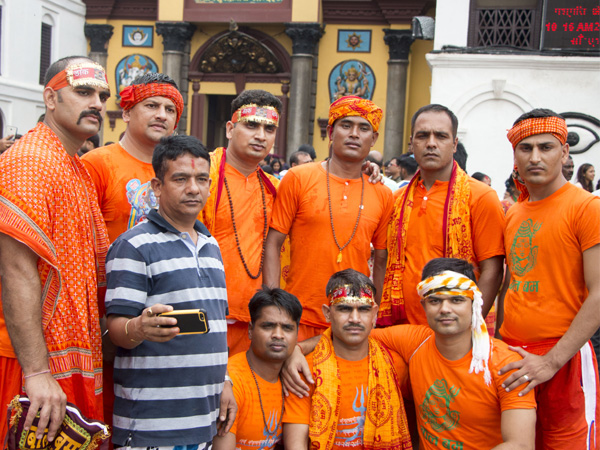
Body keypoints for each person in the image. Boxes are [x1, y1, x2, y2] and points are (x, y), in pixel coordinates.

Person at [284, 259, 537, 449]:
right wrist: (296, 349)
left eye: (456, 300)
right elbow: (350, 332)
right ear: (424, 305)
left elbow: (520, 445)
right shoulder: (414, 341)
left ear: (475, 303)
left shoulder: (505, 362)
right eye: (435, 300)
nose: (445, 309)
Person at [0, 56, 111, 441]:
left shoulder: (74, 165)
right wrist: (36, 371)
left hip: (67, 355)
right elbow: (15, 270)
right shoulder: (32, 161)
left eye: (102, 95)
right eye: (83, 92)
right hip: (30, 363)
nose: (96, 102)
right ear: (50, 98)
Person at [105, 134, 235, 448]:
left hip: (203, 422)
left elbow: (216, 326)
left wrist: (226, 381)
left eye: (202, 179)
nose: (194, 188)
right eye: (181, 178)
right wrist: (139, 327)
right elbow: (115, 330)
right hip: (151, 426)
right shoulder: (133, 246)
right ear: (157, 187)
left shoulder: (211, 245)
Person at [498, 108, 600, 449]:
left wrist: (551, 361)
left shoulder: (586, 207)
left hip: (563, 360)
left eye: (546, 147)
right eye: (525, 148)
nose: (535, 157)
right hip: (513, 359)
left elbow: (599, 292)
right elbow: (509, 286)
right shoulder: (514, 213)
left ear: (565, 152)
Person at [264, 95, 394, 341]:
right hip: (296, 315)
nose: (354, 134)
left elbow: (380, 260)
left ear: (374, 139)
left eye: (363, 128)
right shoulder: (298, 178)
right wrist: (274, 305)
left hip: (351, 321)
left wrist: (372, 315)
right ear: (331, 132)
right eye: (346, 126)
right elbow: (273, 242)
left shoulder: (383, 194)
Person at [379, 104, 505, 327]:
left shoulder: (481, 196)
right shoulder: (396, 199)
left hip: (456, 332)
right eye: (422, 136)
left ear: (454, 144)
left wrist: (471, 325)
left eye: (441, 136)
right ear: (411, 143)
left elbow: (492, 271)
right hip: (402, 330)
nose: (431, 143)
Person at [283, 269, 412, 450]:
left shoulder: (394, 364)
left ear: (374, 313)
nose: (354, 319)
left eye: (364, 309)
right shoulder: (305, 370)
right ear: (327, 313)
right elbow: (295, 445)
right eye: (344, 308)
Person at [200, 90, 282, 356]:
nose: (260, 135)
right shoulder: (202, 176)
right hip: (205, 315)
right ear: (229, 128)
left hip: (255, 321)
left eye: (269, 128)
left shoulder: (277, 189)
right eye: (251, 125)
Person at [82, 72, 183, 243]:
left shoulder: (180, 171)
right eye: (151, 105)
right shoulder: (95, 164)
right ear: (127, 113)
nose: (162, 115)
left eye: (170, 110)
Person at [212, 287, 303, 450]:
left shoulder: (294, 378)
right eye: (268, 326)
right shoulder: (231, 382)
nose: (278, 335)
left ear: (297, 333)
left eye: (287, 328)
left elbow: (334, 339)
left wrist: (300, 349)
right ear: (250, 330)